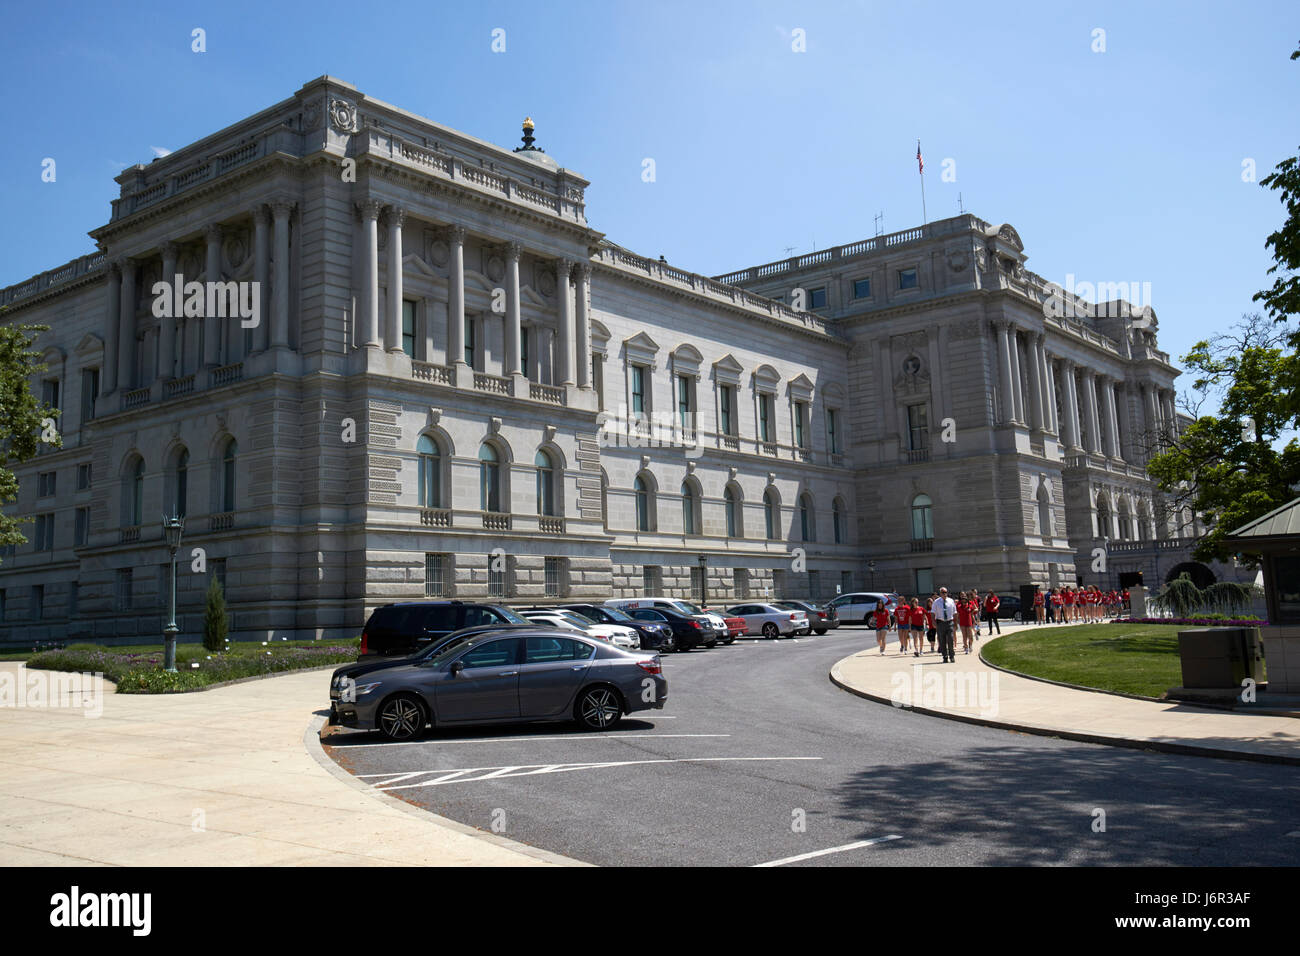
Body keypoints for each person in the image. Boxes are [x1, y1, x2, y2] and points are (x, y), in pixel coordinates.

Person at [931, 588, 957, 662]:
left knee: (950, 639)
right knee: (942, 641)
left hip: (949, 622)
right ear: (940, 593)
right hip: (940, 623)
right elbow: (932, 613)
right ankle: (945, 656)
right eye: (943, 592)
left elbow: (955, 612)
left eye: (945, 592)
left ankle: (952, 656)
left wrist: (955, 623)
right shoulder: (936, 602)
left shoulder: (951, 601)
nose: (944, 594)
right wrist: (933, 622)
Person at [956, 590, 976, 654]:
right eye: (962, 600)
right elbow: (957, 615)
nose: (964, 601)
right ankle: (966, 647)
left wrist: (972, 614)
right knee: (964, 636)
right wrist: (957, 622)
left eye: (965, 600)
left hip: (969, 622)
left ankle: (970, 645)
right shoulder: (959, 606)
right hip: (962, 623)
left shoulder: (969, 605)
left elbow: (974, 610)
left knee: (970, 636)